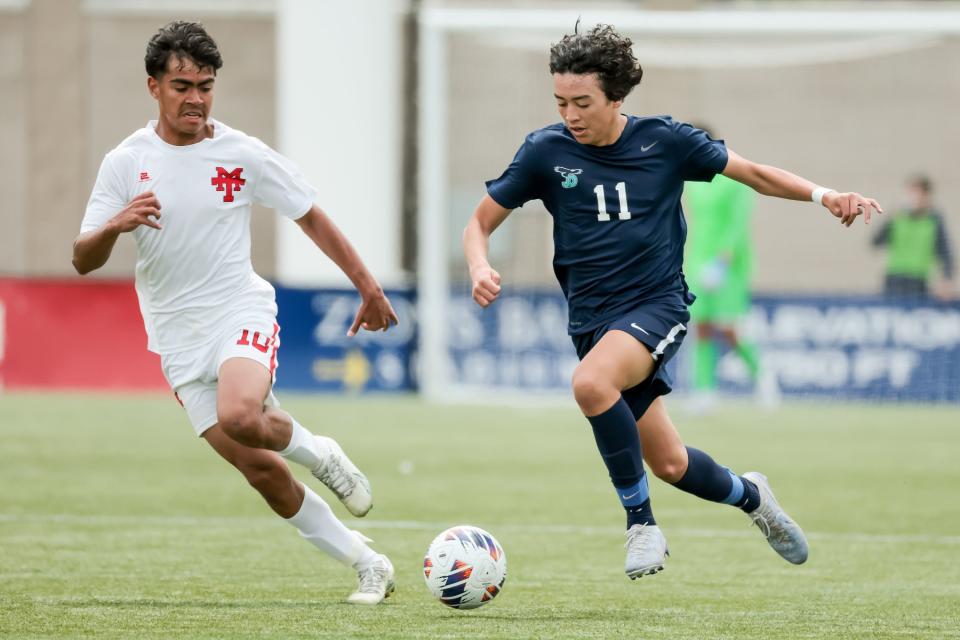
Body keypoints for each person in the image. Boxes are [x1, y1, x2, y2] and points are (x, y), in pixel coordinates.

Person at [463, 24, 882, 579]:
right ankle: (753, 497)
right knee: (670, 463)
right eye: (561, 102)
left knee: (590, 384)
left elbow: (755, 174)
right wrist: (479, 263)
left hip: (656, 304)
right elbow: (479, 221)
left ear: (616, 96)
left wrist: (825, 195)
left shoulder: (666, 141)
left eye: (583, 102)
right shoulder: (545, 151)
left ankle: (642, 526)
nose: (571, 114)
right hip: (591, 321)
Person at [72, 22, 398, 604]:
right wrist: (114, 226)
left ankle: (322, 454)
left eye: (205, 85)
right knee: (264, 475)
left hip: (237, 308)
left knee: (243, 413)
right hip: (176, 340)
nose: (195, 97)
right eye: (181, 85)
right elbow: (82, 259)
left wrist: (367, 286)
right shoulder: (125, 162)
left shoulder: (241, 154)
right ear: (154, 87)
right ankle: (367, 562)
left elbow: (311, 216)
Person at [682, 126, 772, 411]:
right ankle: (705, 391)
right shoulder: (692, 181)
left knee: (729, 328)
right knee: (703, 328)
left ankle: (763, 377)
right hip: (697, 260)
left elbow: (737, 224)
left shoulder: (733, 178)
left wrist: (722, 261)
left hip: (729, 266)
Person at [872, 175, 954, 300]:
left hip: (918, 279)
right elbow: (876, 241)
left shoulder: (934, 220)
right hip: (895, 277)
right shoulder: (898, 217)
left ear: (926, 196)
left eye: (918, 193)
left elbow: (945, 252)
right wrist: (889, 219)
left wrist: (946, 280)